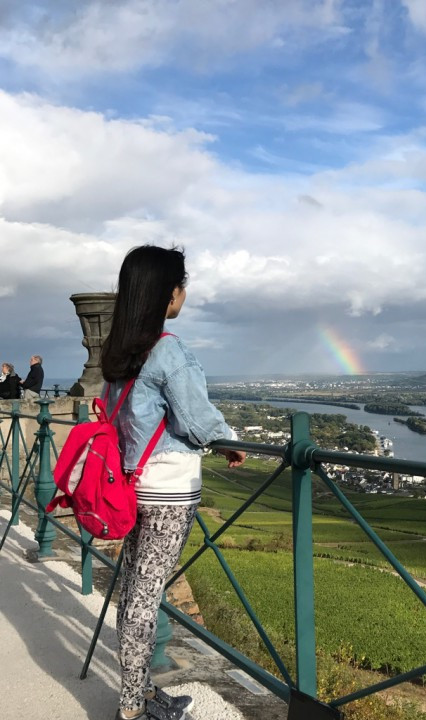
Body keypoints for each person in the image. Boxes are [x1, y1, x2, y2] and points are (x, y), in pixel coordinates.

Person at [101, 245, 245, 720]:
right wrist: (230, 441)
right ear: (168, 293)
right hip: (168, 493)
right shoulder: (168, 349)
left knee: (133, 591)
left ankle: (141, 694)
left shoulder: (118, 353)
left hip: (132, 486)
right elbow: (198, 421)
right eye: (181, 285)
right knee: (145, 597)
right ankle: (133, 709)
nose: (184, 293)